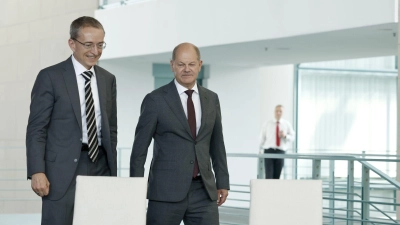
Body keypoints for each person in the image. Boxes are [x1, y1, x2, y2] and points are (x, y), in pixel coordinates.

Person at [26, 16, 117, 225]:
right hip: (61, 171)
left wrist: (113, 166)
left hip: (101, 166)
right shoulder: (50, 77)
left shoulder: (108, 79)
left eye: (100, 44)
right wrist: (36, 170)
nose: (95, 51)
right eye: (88, 44)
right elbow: (36, 129)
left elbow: (111, 128)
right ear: (72, 44)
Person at [130, 42, 230, 225]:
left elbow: (217, 143)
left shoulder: (211, 98)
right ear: (172, 65)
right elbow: (139, 149)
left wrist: (222, 181)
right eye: (181, 64)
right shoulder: (155, 100)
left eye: (191, 64)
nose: (186, 69)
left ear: (200, 65)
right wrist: (135, 187)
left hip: (204, 191)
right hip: (164, 192)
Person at [259, 105, 295, 179]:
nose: (278, 113)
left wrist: (285, 136)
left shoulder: (287, 124)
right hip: (269, 151)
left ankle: (274, 190)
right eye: (276, 111)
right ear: (274, 112)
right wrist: (260, 150)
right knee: (268, 175)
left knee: (277, 176)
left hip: (281, 151)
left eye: (280, 111)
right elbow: (262, 138)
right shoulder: (267, 124)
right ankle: (268, 190)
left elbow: (292, 137)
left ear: (283, 112)